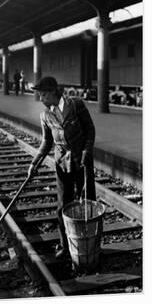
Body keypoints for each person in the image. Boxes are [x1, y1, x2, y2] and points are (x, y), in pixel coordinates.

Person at [27, 76, 96, 256]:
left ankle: (91, 246)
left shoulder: (76, 105)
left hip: (82, 161)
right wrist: (35, 163)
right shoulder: (45, 115)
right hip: (62, 164)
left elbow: (90, 130)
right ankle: (66, 246)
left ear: (52, 92)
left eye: (42, 95)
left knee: (88, 204)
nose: (40, 99)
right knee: (63, 206)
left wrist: (87, 151)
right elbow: (47, 142)